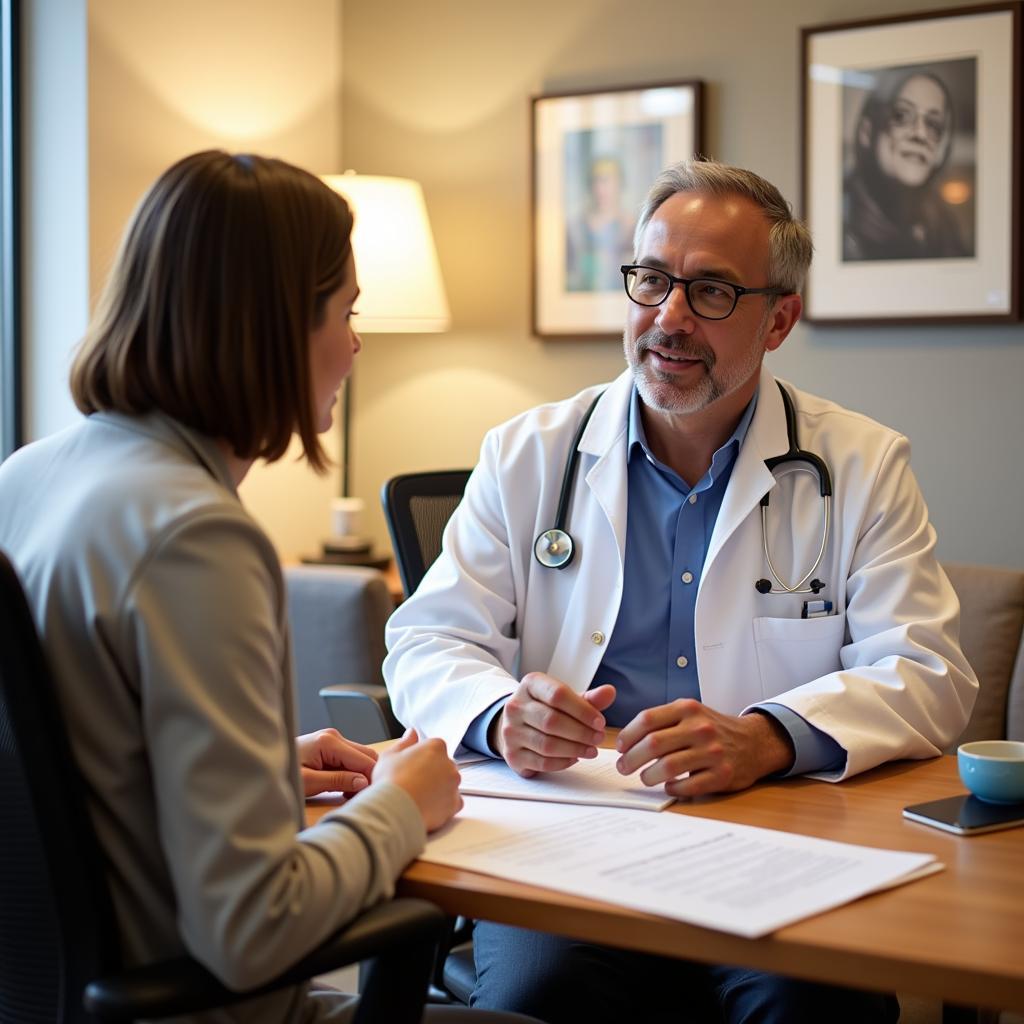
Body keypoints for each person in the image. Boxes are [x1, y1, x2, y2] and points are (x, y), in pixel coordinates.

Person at [384, 158, 978, 1023]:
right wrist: (497, 713)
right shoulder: (528, 453)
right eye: (652, 280)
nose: (668, 317)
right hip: (570, 836)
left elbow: (929, 671)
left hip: (775, 839)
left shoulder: (860, 464)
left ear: (779, 319)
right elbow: (427, 640)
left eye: (710, 292)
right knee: (542, 1000)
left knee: (807, 1011)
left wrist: (767, 738)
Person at [0, 151, 532, 1024]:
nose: (356, 343)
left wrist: (267, 768)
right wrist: (401, 807)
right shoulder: (195, 535)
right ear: (279, 323)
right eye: (347, 311)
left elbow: (65, 774)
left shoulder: (30, 477)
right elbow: (251, 926)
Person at [844, 67, 971, 260]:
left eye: (933, 124)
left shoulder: (945, 228)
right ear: (867, 132)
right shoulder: (838, 218)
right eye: (901, 116)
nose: (920, 134)